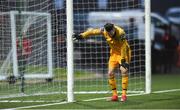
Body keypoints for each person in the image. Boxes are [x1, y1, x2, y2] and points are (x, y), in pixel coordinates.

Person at [73, 23, 131, 102]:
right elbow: (92, 32)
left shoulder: (121, 33)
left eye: (111, 32)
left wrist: (123, 59)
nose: (110, 34)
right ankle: (115, 95)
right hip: (114, 53)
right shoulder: (104, 31)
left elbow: (123, 46)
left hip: (123, 53)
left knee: (123, 71)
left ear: (114, 29)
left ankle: (124, 95)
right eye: (109, 32)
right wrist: (82, 35)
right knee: (110, 73)